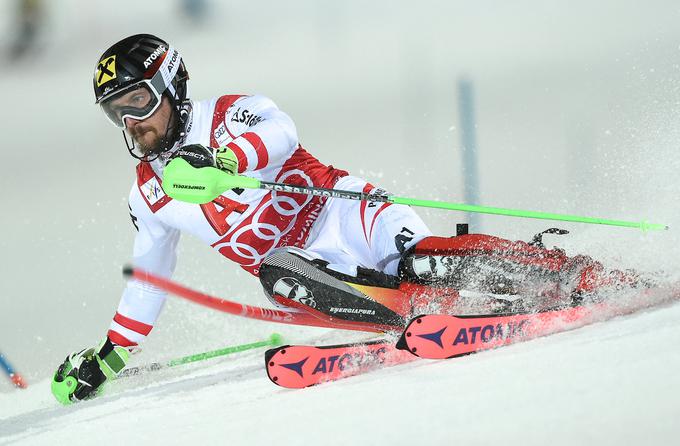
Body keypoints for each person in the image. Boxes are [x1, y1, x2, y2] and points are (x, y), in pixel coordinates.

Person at [51, 34, 640, 404]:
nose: (133, 124)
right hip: (314, 270)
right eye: (117, 114)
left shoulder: (229, 114)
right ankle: (407, 307)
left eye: (139, 103)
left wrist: (228, 160)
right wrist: (110, 356)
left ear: (172, 86)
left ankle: (573, 274)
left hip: (349, 215)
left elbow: (283, 133)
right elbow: (150, 277)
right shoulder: (149, 193)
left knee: (427, 256)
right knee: (279, 273)